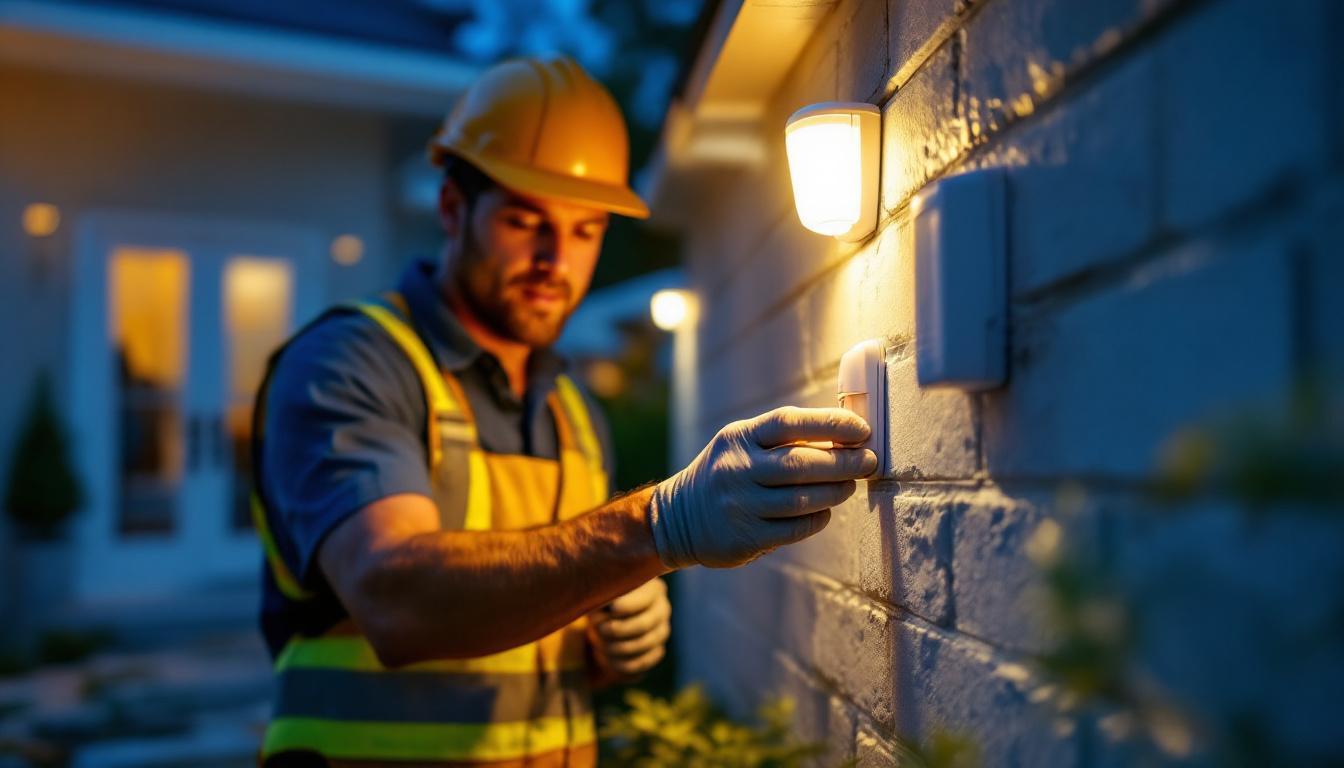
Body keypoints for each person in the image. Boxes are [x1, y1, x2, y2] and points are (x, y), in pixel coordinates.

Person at [252, 55, 877, 767]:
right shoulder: (349, 363)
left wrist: (610, 638)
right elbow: (396, 599)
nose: (557, 259)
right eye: (527, 221)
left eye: (586, 229)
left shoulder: (573, 411)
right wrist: (655, 527)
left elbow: (543, 620)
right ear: (453, 209)